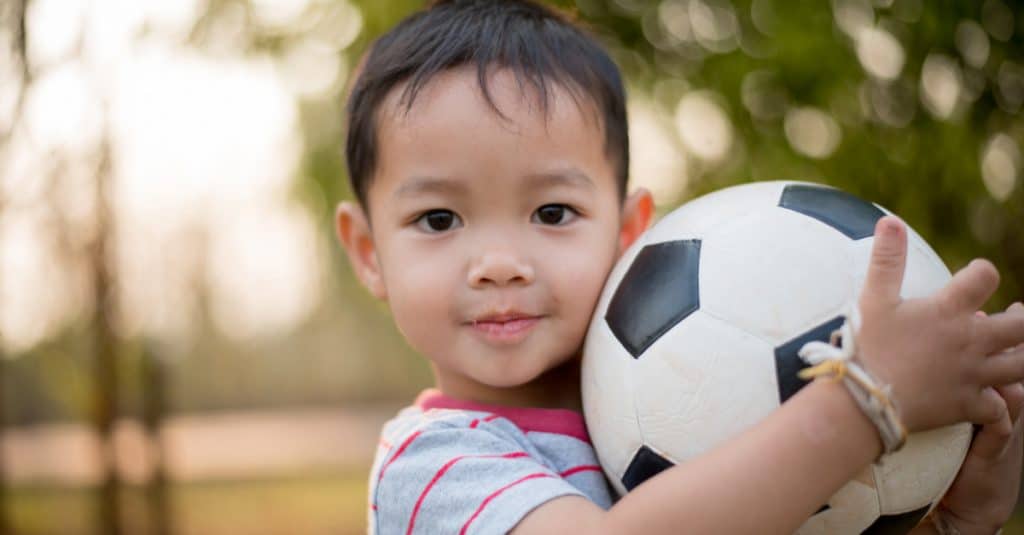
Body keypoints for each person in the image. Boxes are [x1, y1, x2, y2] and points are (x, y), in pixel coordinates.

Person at [334, 1, 1024, 533]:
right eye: (438, 220)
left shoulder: (685, 402)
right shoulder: (433, 466)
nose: (499, 265)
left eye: (551, 213)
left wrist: (949, 520)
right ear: (369, 252)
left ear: (631, 231)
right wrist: (867, 401)